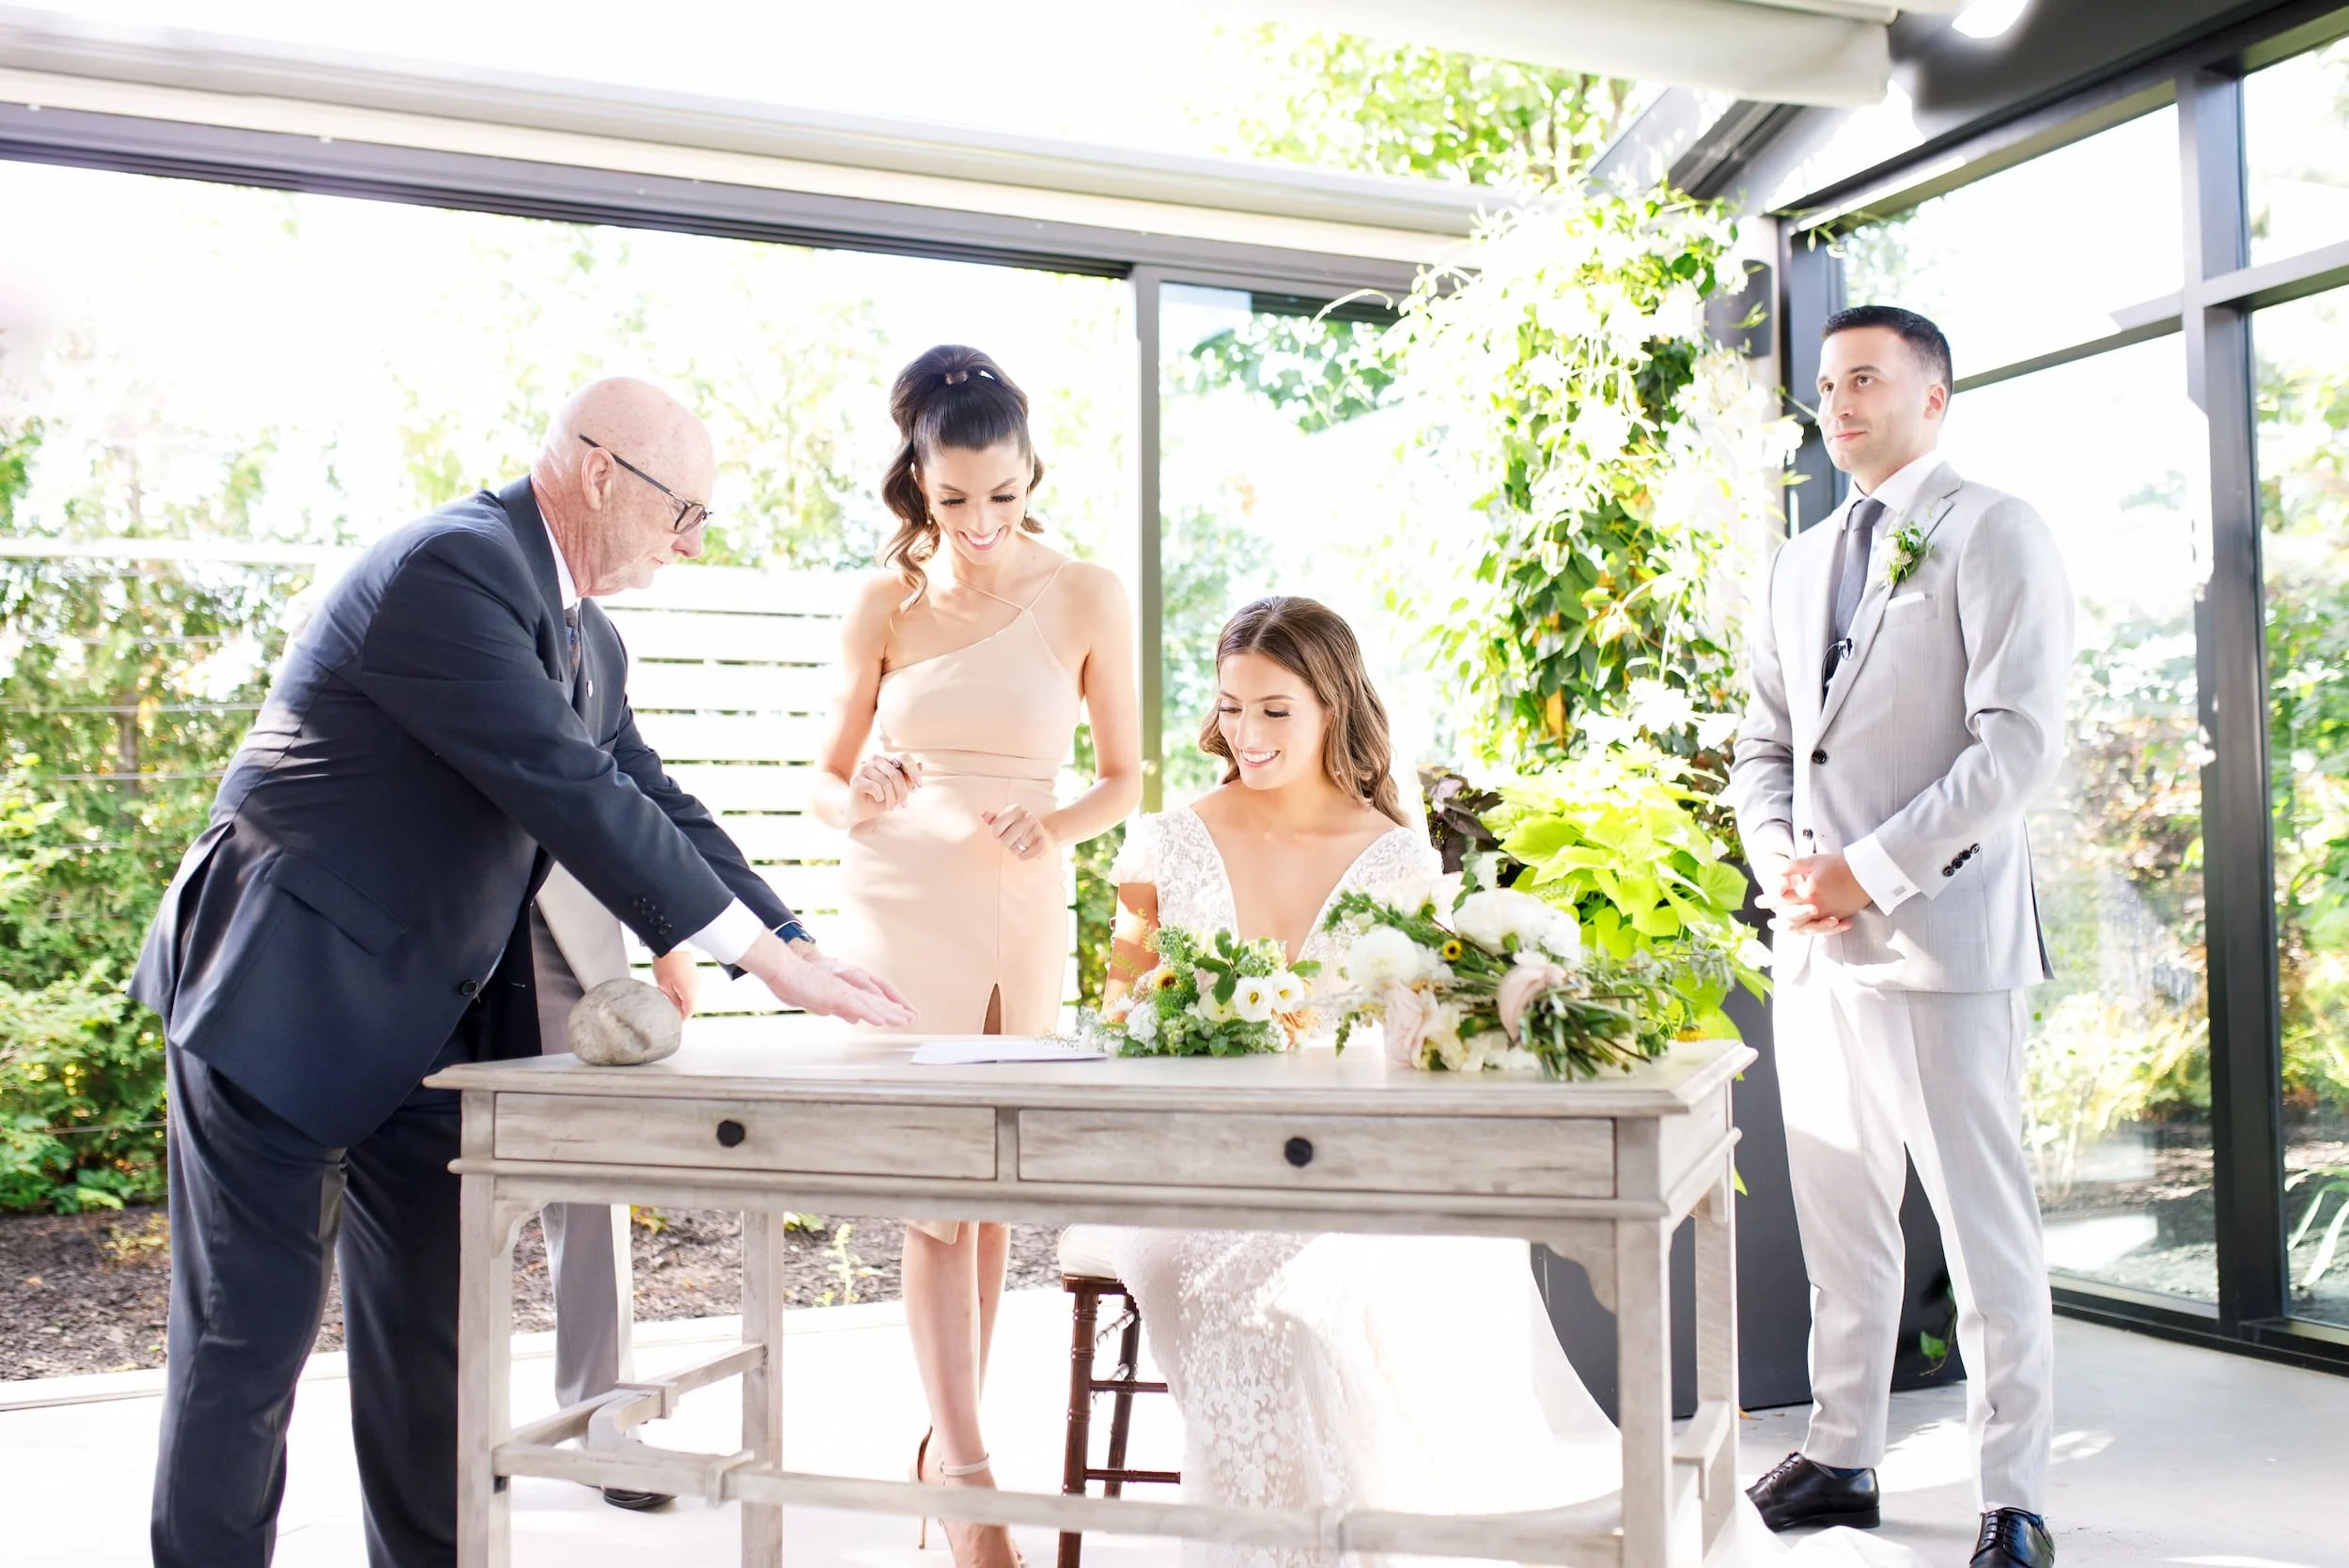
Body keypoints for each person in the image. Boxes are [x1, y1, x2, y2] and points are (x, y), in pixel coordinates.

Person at [131, 377, 914, 1568]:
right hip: (281, 992)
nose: (689, 544)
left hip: (425, 1028)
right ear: (603, 472)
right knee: (247, 1352)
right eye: (682, 513)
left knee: (436, 1354)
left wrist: (790, 942)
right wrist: (757, 959)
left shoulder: (587, 635)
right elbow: (569, 789)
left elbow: (653, 797)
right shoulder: (450, 571)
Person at [1094, 597, 1919, 1568]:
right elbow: (1119, 1017)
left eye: (1275, 709)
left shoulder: (1393, 854)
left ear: (1332, 704)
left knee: (1308, 1313)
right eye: (1232, 708)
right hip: (1185, 1165)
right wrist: (1200, 1023)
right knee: (1213, 1295)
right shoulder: (1162, 840)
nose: (1247, 734)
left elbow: (1410, 1043)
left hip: (1336, 1164)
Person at [1727, 305, 2073, 1568]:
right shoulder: (1800, 556)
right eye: (1826, 384)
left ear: (1936, 395)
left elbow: (2015, 747)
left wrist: (1863, 873)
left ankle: (2014, 1492)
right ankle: (1842, 1451)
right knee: (1844, 1225)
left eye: (1865, 377)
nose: (1840, 401)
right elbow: (1766, 744)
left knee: (1985, 1236)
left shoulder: (1995, 529)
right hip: (1813, 943)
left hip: (1944, 941)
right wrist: (1781, 861)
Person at [811, 344, 1141, 1568]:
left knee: (992, 1194)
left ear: (1028, 469)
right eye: (955, 499)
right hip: (901, 897)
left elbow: (1123, 777)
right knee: (937, 1199)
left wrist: (1051, 824)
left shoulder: (1087, 591)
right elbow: (823, 783)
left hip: (1019, 897)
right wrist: (868, 785)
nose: (983, 521)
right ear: (918, 482)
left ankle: (946, 1457)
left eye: (1003, 493)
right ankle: (969, 1481)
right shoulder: (882, 602)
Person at [526, 864, 699, 1513]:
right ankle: (437, 1427)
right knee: (427, 1191)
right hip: (418, 929)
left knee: (589, 1182)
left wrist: (667, 937)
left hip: (553, 929)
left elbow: (622, 793)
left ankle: (601, 1414)